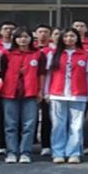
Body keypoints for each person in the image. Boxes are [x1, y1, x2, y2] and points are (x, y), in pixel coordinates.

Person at [0, 28, 46, 163]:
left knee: (28, 125)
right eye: (19, 37)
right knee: (10, 125)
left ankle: (25, 152)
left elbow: (41, 74)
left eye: (26, 36)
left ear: (31, 38)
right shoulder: (6, 54)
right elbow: (1, 74)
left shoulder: (38, 54)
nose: (23, 39)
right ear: (15, 39)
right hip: (9, 92)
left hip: (31, 92)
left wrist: (41, 90)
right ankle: (12, 152)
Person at [46, 28, 88, 164]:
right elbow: (49, 75)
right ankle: (58, 152)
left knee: (76, 125)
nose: (69, 39)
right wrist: (46, 92)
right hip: (57, 94)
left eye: (72, 36)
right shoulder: (53, 54)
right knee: (58, 125)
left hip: (78, 94)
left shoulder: (85, 54)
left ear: (77, 38)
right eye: (66, 36)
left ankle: (73, 152)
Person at [0, 21, 17, 156]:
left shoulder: (20, 46)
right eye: (6, 28)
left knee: (14, 117)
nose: (9, 31)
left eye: (12, 29)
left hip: (15, 86)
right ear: (0, 32)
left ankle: (14, 144)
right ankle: (0, 144)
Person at [33, 24, 55, 157]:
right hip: (30, 88)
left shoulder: (54, 50)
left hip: (47, 88)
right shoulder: (30, 49)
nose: (43, 34)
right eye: (40, 31)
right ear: (35, 34)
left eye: (46, 32)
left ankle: (46, 145)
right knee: (30, 118)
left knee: (47, 118)